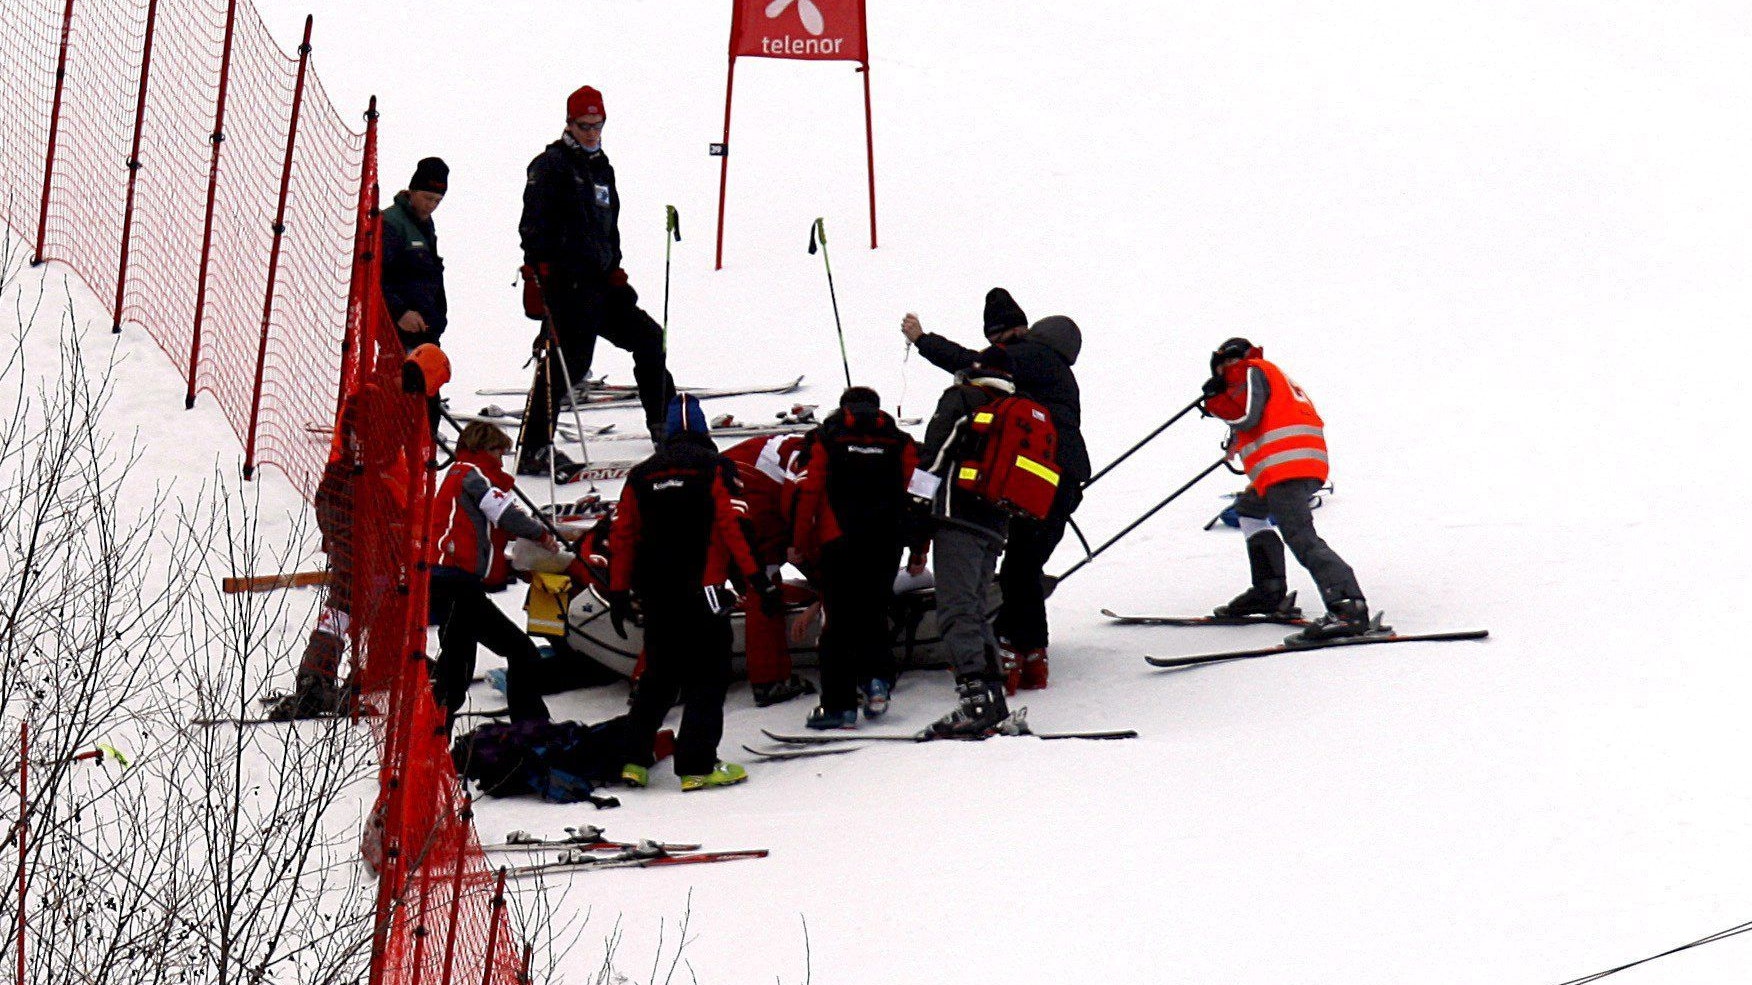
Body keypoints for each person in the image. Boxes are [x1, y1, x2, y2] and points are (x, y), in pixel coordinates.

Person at [901, 289, 1088, 692]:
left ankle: (1004, 658)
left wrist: (922, 340)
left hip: (1037, 483)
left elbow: (970, 361)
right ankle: (1033, 656)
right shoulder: (1055, 374)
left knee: (1014, 573)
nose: (1000, 346)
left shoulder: (1029, 355)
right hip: (1057, 480)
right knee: (1023, 568)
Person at [609, 395, 780, 792]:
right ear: (704, 430)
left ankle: (632, 759)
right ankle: (696, 764)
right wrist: (758, 582)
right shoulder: (716, 468)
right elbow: (734, 526)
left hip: (655, 590)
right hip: (705, 588)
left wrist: (618, 592)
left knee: (659, 675)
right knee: (708, 675)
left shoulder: (639, 475)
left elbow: (623, 536)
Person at [267, 346, 444, 721]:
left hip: (362, 503)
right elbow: (369, 457)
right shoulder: (373, 400)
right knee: (349, 589)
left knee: (371, 584)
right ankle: (316, 675)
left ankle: (377, 659)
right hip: (347, 502)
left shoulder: (393, 402)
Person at [517, 84, 674, 475]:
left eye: (597, 124)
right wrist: (540, 274)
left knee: (650, 338)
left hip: (602, 284)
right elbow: (531, 228)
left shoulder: (602, 167)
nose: (591, 132)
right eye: (584, 125)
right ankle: (535, 448)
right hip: (568, 287)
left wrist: (615, 268)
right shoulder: (549, 166)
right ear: (569, 123)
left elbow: (609, 229)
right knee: (569, 362)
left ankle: (664, 428)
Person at [1200, 337, 1372, 641]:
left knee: (1298, 533)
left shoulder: (1253, 369)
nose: (1227, 371)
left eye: (1227, 364)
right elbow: (1250, 423)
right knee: (1250, 511)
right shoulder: (1267, 377)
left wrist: (1216, 403)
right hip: (1287, 466)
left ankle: (1348, 607)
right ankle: (1268, 590)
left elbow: (1246, 417)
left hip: (1287, 466)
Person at [790, 387, 929, 729]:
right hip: (887, 541)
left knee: (838, 623)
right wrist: (918, 549)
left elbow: (809, 490)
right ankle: (877, 683)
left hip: (838, 540)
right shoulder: (900, 440)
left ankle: (840, 708)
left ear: (844, 407)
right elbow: (921, 494)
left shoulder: (827, 437)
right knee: (874, 611)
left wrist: (799, 540)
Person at [429, 421, 556, 735]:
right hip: (458, 581)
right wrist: (543, 535)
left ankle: (432, 730)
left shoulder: (456, 473)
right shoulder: (475, 474)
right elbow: (506, 516)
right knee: (520, 650)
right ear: (485, 448)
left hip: (444, 577)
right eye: (500, 451)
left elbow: (480, 533)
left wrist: (507, 568)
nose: (502, 460)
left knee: (456, 662)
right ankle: (531, 727)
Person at [915, 348, 1017, 738]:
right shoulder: (1011, 406)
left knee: (956, 612)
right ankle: (994, 703)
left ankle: (975, 704)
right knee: (975, 611)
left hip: (958, 516)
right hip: (996, 524)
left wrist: (914, 504)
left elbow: (937, 453)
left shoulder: (963, 398)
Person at [720, 431, 818, 707]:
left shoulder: (802, 446)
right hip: (753, 497)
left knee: (703, 578)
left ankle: (649, 676)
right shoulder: (813, 456)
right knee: (763, 586)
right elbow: (797, 504)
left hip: (730, 492)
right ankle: (768, 680)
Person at [382, 157, 449, 353]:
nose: (432, 206)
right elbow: (377, 277)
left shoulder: (426, 227)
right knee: (398, 382)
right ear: (412, 191)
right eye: (428, 198)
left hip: (425, 334)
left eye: (437, 201)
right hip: (398, 335)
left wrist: (438, 320)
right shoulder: (391, 223)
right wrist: (399, 313)